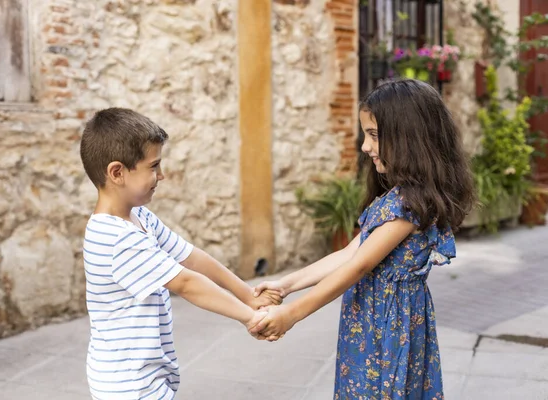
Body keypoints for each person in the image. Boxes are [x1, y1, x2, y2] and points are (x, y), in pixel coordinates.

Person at [251, 79, 475, 399]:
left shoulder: (408, 204)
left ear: (409, 138)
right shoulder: (394, 197)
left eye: (373, 135)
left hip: (387, 326)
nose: (365, 147)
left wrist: (292, 314)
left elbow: (358, 266)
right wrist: (286, 285)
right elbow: (348, 253)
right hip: (372, 320)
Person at [79, 108, 280, 400]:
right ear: (117, 172)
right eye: (153, 166)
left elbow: (190, 257)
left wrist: (248, 294)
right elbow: (187, 283)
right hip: (127, 385)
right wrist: (250, 318)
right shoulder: (115, 238)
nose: (161, 175)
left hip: (147, 377)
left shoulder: (140, 217)